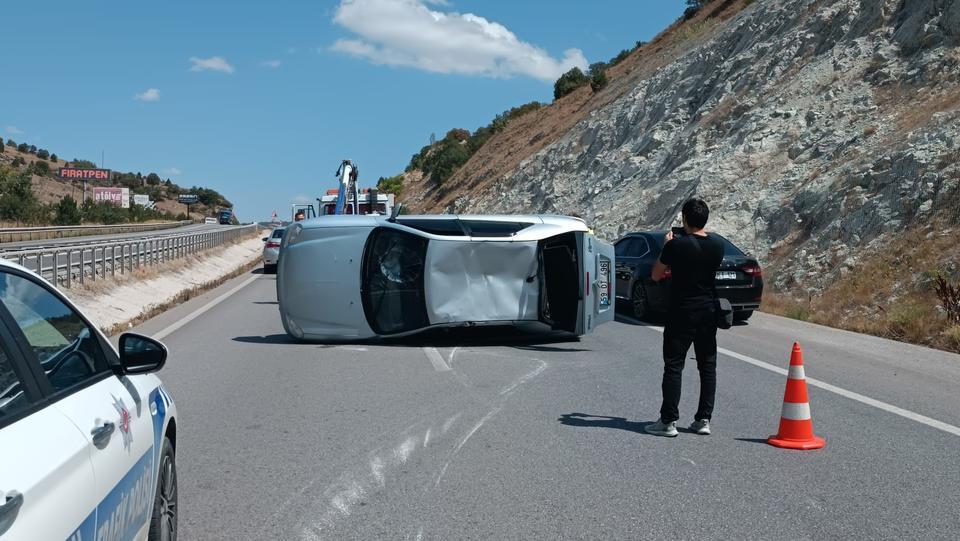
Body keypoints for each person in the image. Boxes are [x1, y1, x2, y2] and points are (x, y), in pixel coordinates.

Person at [645, 198, 724, 437]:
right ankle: (703, 419)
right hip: (708, 311)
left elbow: (656, 274)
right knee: (707, 366)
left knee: (674, 365)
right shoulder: (718, 246)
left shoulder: (675, 246)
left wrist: (666, 246)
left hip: (682, 312)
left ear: (685, 219)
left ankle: (668, 421)